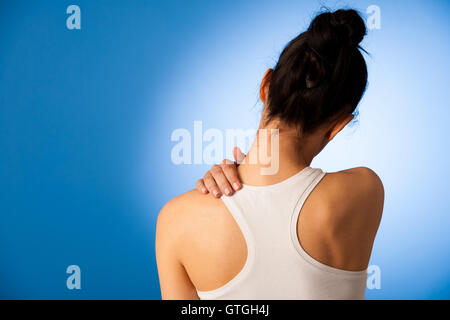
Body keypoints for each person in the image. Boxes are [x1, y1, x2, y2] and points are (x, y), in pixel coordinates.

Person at [156, 9, 384, 300]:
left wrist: (241, 170)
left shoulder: (177, 219)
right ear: (338, 126)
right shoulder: (364, 190)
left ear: (265, 85)